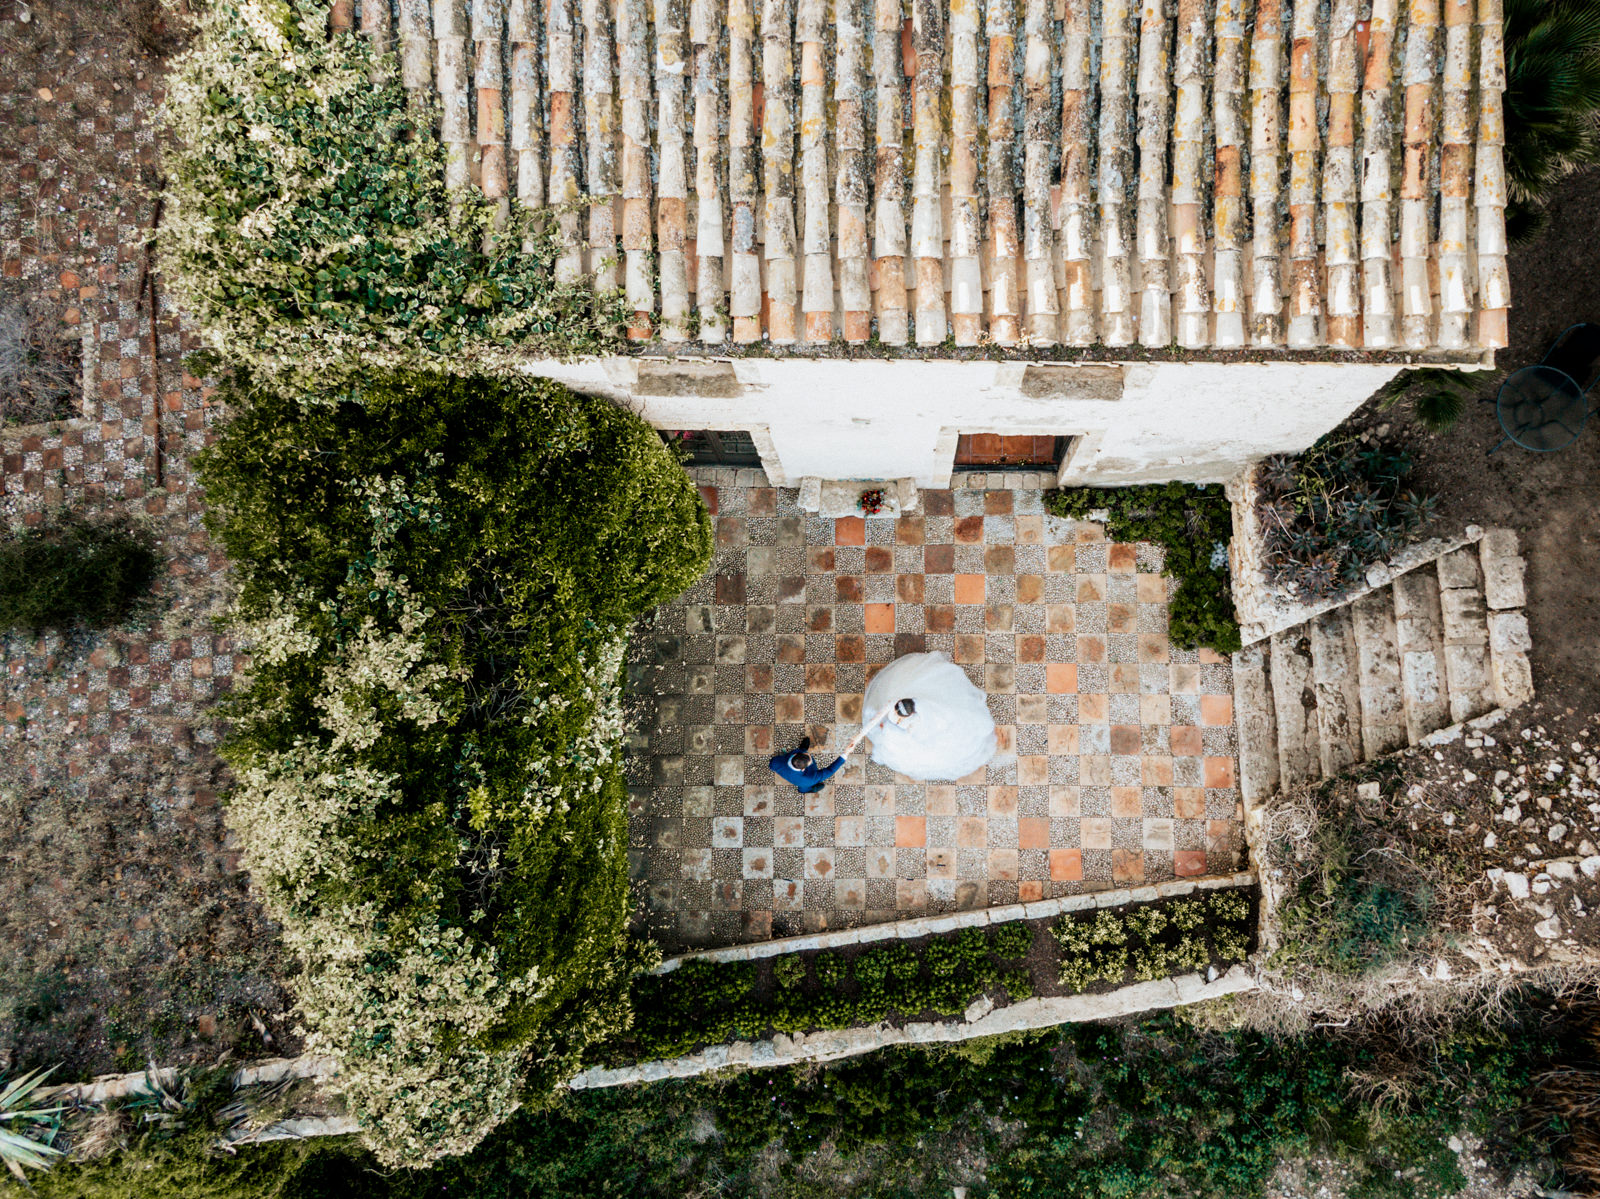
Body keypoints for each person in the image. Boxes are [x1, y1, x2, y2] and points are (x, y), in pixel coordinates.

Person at [768, 736, 847, 794]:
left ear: (795, 754)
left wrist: (802, 751)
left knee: (802, 750)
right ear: (803, 769)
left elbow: (771, 765)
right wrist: (844, 755)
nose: (810, 755)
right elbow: (830, 770)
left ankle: (803, 748)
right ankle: (807, 790)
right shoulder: (810, 778)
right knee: (805, 787)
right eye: (810, 760)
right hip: (803, 782)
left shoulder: (775, 762)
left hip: (789, 768)